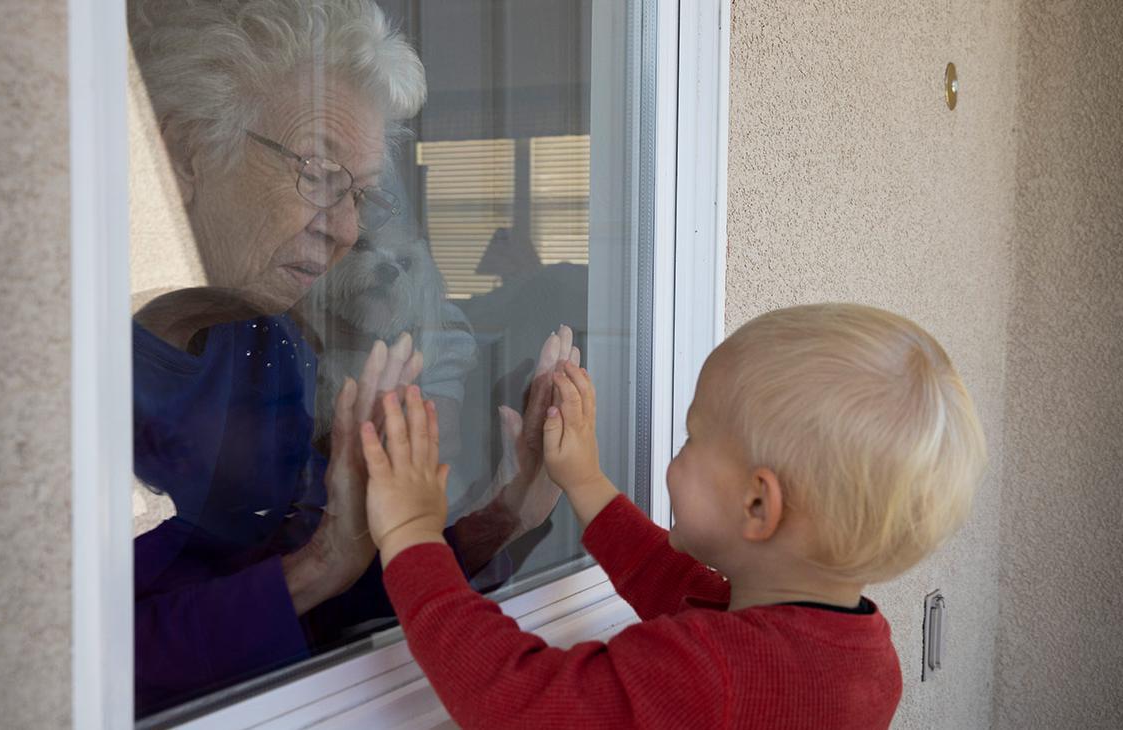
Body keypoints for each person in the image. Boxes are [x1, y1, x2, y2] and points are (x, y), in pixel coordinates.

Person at [128, 0, 562, 714]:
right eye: (319, 174)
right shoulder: (62, 371)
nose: (348, 228)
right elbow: (63, 663)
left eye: (359, 194)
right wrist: (317, 567)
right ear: (186, 153)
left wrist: (506, 515)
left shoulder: (275, 347)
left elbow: (327, 600)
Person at [360, 303, 989, 729]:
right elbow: (678, 585)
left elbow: (520, 703)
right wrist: (584, 480)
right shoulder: (861, 655)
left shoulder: (713, 676)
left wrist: (414, 538)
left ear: (758, 505)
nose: (673, 455)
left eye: (691, 440)